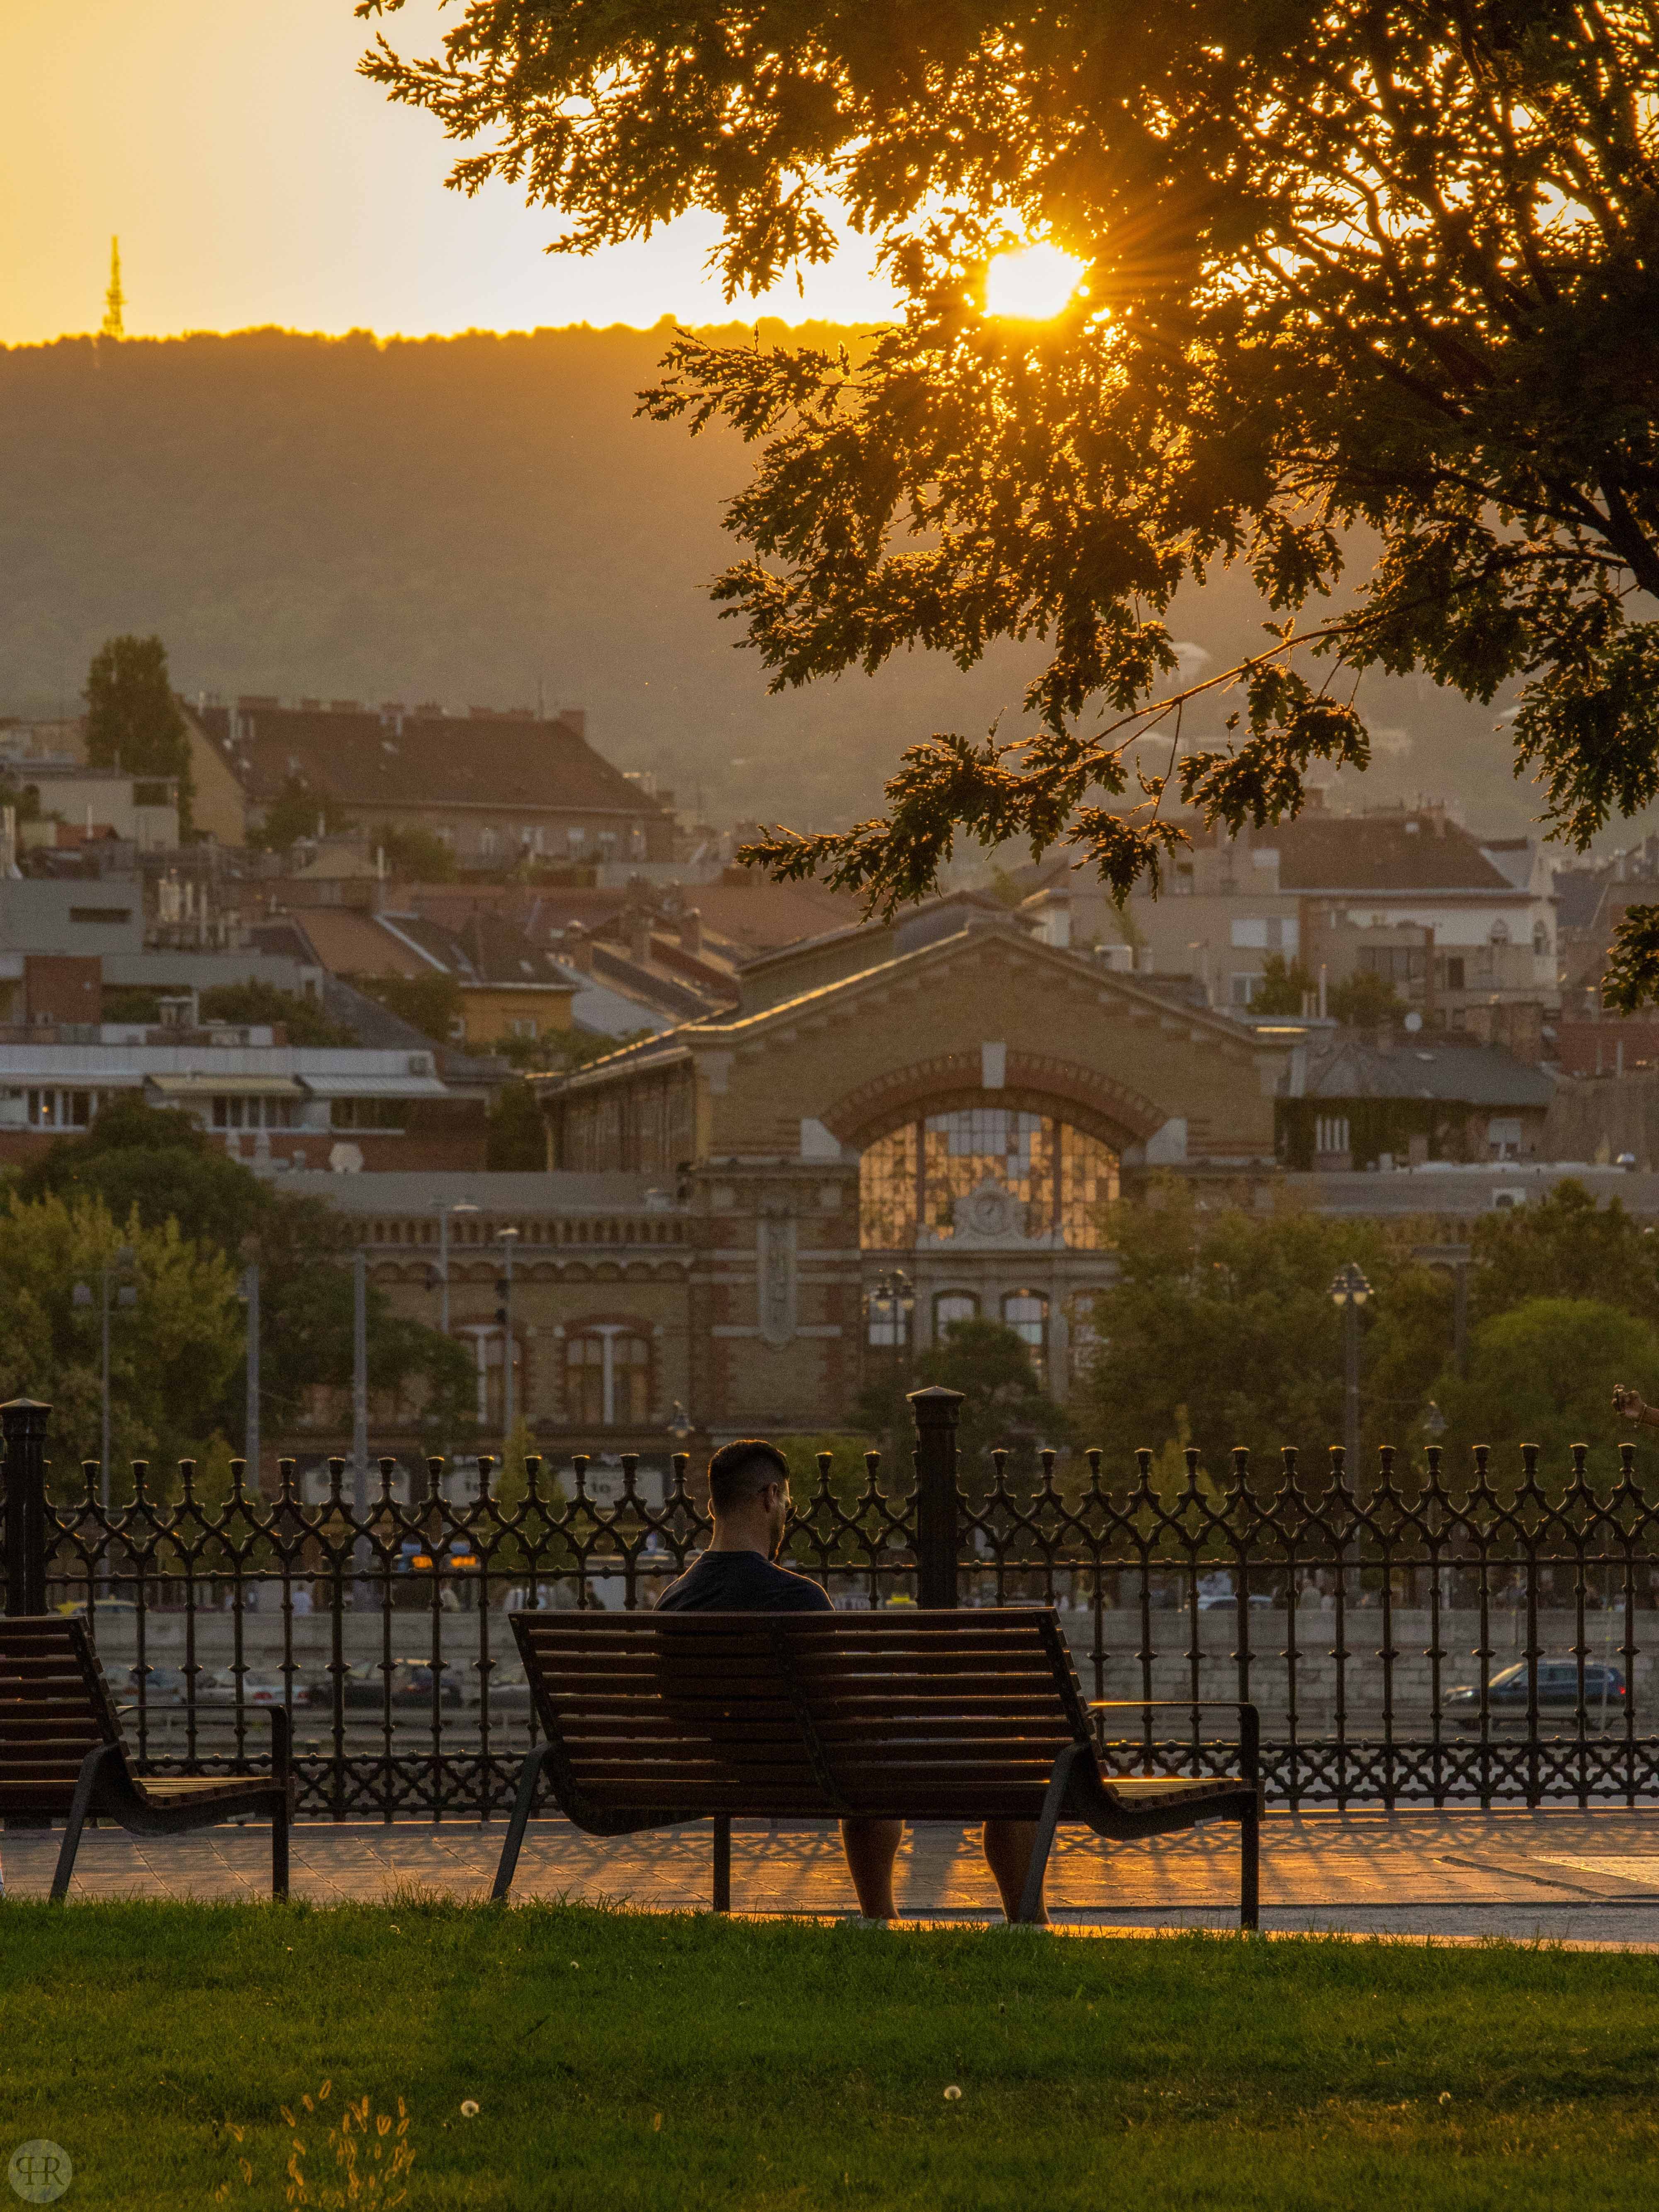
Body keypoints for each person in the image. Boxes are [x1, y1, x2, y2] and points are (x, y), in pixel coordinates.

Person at [656, 1438, 1049, 1924]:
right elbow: (841, 1717)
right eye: (787, 1501)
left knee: (862, 1764)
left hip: (726, 1772)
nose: (787, 1513)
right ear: (770, 1497)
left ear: (714, 1507)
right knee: (1014, 1766)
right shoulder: (796, 1598)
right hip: (823, 1772)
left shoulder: (674, 1602)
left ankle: (881, 1920)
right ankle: (1027, 1924)